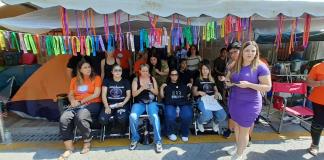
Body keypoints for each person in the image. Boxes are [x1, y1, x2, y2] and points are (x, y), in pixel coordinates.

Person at [225, 41, 271, 159]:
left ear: (256, 52)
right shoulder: (235, 65)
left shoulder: (260, 67)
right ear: (242, 52)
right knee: (236, 128)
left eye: (253, 50)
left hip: (250, 104)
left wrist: (249, 85)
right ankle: (237, 147)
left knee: (244, 130)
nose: (250, 53)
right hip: (234, 101)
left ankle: (239, 154)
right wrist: (228, 82)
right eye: (247, 50)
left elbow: (267, 86)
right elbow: (228, 80)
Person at [59, 59, 102, 160]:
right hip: (76, 104)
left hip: (93, 103)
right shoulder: (74, 80)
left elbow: (96, 94)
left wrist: (80, 102)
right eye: (85, 67)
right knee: (64, 118)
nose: (88, 69)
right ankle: (69, 148)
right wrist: (73, 101)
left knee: (81, 116)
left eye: (89, 67)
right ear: (80, 70)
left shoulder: (96, 78)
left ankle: (87, 141)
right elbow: (70, 94)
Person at [129, 64, 163, 153]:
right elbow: (134, 94)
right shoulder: (136, 79)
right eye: (143, 71)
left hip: (151, 102)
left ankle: (158, 141)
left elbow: (156, 93)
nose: (145, 73)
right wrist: (142, 88)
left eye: (146, 71)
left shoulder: (152, 79)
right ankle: (135, 138)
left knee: (155, 117)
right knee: (132, 116)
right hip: (139, 103)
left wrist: (151, 88)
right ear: (140, 71)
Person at [192, 63, 227, 133]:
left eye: (206, 69)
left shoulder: (212, 79)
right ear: (201, 70)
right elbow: (193, 93)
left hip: (212, 99)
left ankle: (215, 122)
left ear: (209, 70)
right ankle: (199, 122)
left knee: (223, 115)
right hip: (202, 100)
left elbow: (216, 90)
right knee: (208, 115)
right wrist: (199, 92)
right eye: (203, 69)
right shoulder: (198, 79)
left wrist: (217, 93)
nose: (205, 71)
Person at [160, 69, 193, 142]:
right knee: (170, 115)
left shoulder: (183, 84)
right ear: (170, 76)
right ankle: (170, 133)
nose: (174, 76)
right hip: (170, 103)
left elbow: (188, 96)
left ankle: (184, 133)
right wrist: (162, 88)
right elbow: (162, 97)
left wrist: (190, 87)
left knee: (188, 114)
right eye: (172, 75)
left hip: (183, 103)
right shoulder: (166, 85)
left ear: (178, 76)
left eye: (176, 75)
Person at [99, 64, 131, 134]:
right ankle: (109, 125)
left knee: (121, 118)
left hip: (122, 104)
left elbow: (128, 95)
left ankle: (122, 128)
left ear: (122, 72)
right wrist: (107, 106)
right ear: (112, 72)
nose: (118, 72)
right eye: (115, 70)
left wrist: (123, 103)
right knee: (103, 119)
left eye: (120, 70)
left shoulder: (126, 82)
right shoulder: (107, 81)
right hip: (109, 104)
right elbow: (103, 95)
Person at [222, 41, 241, 139]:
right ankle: (230, 129)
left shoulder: (249, 63)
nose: (233, 54)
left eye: (235, 51)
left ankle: (248, 137)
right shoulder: (229, 64)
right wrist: (226, 80)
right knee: (231, 113)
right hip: (233, 94)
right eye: (231, 53)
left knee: (245, 120)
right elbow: (226, 80)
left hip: (248, 96)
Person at [306, 61, 324, 156]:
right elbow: (308, 82)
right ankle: (314, 145)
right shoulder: (318, 66)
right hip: (319, 101)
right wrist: (321, 83)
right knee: (318, 123)